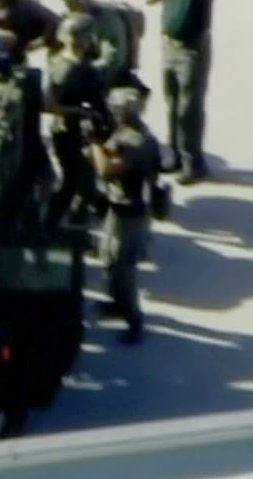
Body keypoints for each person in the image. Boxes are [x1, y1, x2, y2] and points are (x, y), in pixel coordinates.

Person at [88, 87, 161, 345]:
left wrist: (94, 144)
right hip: (117, 206)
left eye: (116, 111)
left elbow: (107, 168)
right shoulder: (125, 132)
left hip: (132, 213)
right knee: (107, 256)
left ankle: (134, 319)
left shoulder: (141, 143)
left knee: (124, 268)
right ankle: (116, 302)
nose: (113, 114)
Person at [144, 0, 216, 183]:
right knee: (172, 102)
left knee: (189, 107)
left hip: (191, 50)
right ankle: (174, 153)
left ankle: (193, 162)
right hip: (169, 46)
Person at [43, 14, 108, 228]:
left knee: (85, 179)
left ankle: (77, 216)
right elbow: (49, 105)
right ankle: (52, 221)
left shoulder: (74, 62)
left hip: (81, 128)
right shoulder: (65, 69)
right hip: (69, 131)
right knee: (72, 181)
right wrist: (81, 112)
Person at [57, 0, 150, 100]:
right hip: (86, 72)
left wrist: (84, 74)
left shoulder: (107, 21)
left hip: (110, 79)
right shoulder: (74, 17)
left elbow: (112, 60)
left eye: (69, 2)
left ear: (82, 0)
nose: (66, 6)